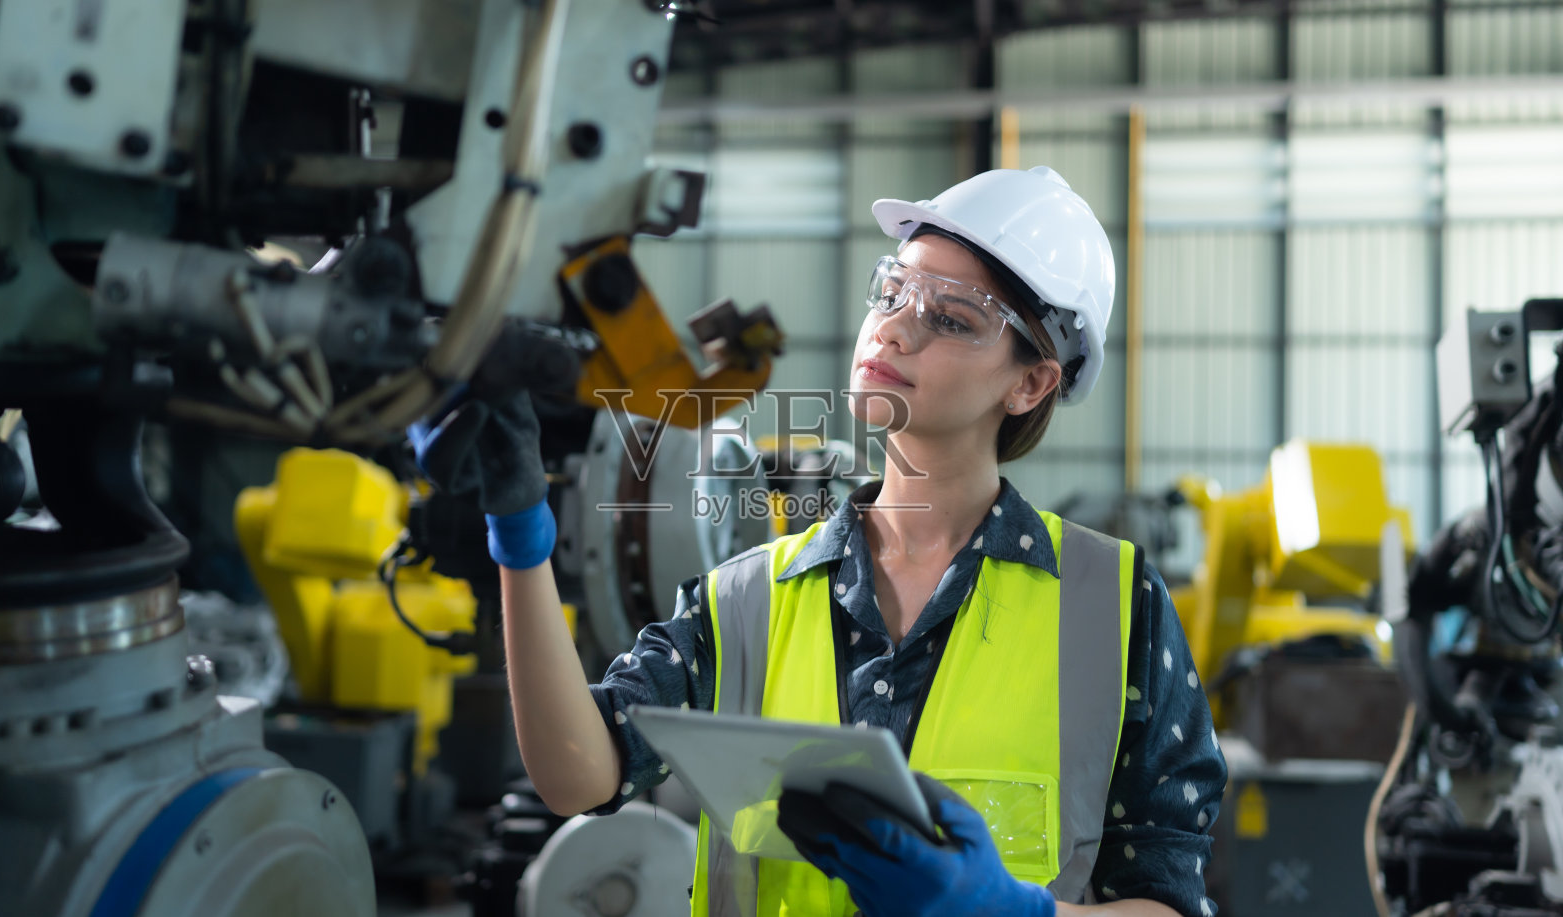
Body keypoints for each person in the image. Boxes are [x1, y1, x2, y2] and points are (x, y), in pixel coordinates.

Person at [412, 166, 1228, 917]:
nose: (894, 331)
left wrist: (1010, 912)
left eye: (950, 318)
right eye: (892, 292)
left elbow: (1168, 896)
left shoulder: (1113, 606)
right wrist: (521, 535)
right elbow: (577, 774)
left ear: (1031, 382)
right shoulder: (744, 600)